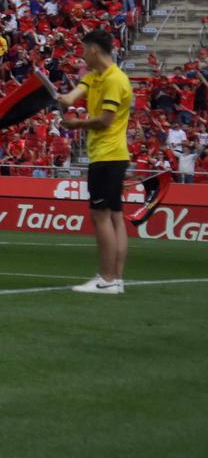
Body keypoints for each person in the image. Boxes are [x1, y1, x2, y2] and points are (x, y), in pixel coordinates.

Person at [55, 28, 133, 294]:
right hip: (113, 156)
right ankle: (116, 278)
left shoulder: (115, 80)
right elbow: (72, 95)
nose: (82, 56)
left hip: (107, 156)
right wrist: (62, 100)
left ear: (94, 49)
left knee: (100, 216)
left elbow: (105, 120)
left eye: (83, 50)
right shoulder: (94, 77)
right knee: (115, 217)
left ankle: (107, 279)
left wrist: (76, 123)